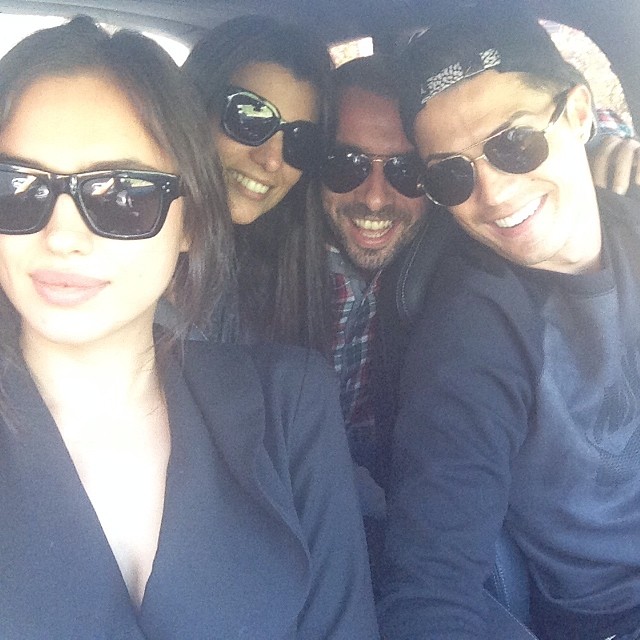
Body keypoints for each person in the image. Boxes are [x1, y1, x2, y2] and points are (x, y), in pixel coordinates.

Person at [0, 16, 379, 639]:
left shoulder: (290, 405)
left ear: (193, 222)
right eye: (17, 188)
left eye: (123, 196)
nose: (62, 236)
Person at [377, 6, 640, 640]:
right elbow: (428, 586)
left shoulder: (630, 222)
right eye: (451, 174)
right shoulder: (473, 327)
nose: (493, 193)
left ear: (579, 114)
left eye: (514, 144)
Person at [319, 53, 429, 582]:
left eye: (407, 171)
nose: (376, 198)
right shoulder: (263, 271)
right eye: (348, 164)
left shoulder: (441, 255)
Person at [182, 15, 333, 351]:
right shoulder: (123, 253)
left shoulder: (287, 277)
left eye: (300, 140)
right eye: (249, 118)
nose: (271, 160)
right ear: (195, 110)